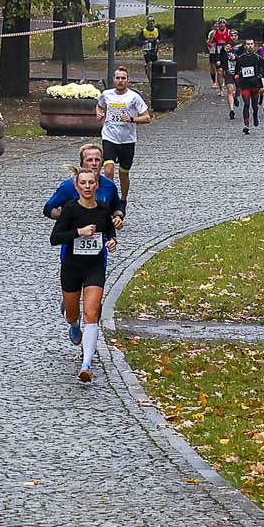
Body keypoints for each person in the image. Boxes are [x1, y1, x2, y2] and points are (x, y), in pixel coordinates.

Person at [43, 143, 123, 343]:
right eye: (90, 160)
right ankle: (73, 318)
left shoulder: (108, 186)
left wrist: (118, 217)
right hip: (72, 249)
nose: (94, 164)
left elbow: (115, 207)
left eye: (97, 160)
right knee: (73, 301)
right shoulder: (69, 186)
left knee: (93, 305)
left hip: (98, 250)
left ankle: (90, 325)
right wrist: (69, 218)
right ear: (82, 163)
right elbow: (48, 208)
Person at [49, 167, 118, 383]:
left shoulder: (104, 208)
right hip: (71, 267)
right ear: (77, 186)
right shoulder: (70, 209)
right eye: (83, 183)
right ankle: (73, 323)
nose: (87, 187)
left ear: (97, 185)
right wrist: (78, 232)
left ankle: (86, 364)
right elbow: (55, 238)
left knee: (91, 312)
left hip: (94, 267)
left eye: (91, 183)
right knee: (73, 314)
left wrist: (111, 241)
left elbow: (109, 231)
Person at [94, 66, 150, 198]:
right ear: (113, 80)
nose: (120, 81)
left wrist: (132, 119)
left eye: (123, 78)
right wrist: (99, 112)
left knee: (123, 173)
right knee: (108, 169)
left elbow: (147, 118)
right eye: (118, 78)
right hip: (109, 137)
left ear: (127, 80)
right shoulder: (106, 94)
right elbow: (100, 105)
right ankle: (111, 198)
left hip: (127, 140)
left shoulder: (134, 97)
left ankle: (123, 199)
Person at [233, 38, 264, 133]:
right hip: (245, 85)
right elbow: (237, 70)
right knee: (246, 104)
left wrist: (262, 83)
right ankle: (246, 125)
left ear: (254, 45)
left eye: (251, 44)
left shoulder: (258, 57)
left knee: (254, 105)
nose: (250, 46)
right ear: (245, 46)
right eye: (248, 44)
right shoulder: (241, 58)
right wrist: (237, 76)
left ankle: (255, 115)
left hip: (255, 85)